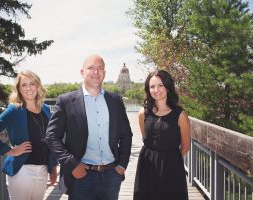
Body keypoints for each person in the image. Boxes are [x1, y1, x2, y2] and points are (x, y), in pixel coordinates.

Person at [45, 54, 133, 200]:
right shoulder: (66, 101)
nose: (96, 72)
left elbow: (126, 135)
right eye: (91, 68)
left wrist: (122, 165)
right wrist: (72, 164)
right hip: (81, 175)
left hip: (112, 175)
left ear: (104, 73)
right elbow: (52, 136)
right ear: (82, 72)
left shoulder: (116, 101)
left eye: (100, 68)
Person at [0, 70, 58, 200]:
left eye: (32, 84)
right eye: (24, 85)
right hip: (22, 171)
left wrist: (53, 167)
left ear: (38, 86)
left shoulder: (45, 109)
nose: (28, 88)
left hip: (43, 170)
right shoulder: (14, 110)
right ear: (18, 89)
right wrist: (10, 151)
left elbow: (51, 140)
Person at [133, 70, 190, 200]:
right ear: (148, 89)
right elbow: (146, 138)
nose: (156, 90)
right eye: (152, 86)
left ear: (168, 87)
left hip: (171, 166)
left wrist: (170, 159)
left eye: (160, 85)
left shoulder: (180, 115)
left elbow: (186, 146)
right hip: (146, 165)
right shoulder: (143, 113)